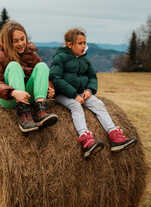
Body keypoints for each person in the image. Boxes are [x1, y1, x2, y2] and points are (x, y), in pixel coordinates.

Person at [49, 28, 137, 157]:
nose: (83, 46)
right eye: (80, 43)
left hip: (81, 92)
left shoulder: (85, 59)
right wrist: (74, 95)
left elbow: (92, 77)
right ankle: (86, 140)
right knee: (76, 106)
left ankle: (114, 136)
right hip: (63, 94)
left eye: (84, 43)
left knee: (98, 104)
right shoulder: (60, 57)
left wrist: (89, 90)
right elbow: (55, 77)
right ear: (69, 45)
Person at [0, 21, 58, 132]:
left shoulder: (32, 55)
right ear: (7, 42)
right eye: (15, 41)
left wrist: (49, 88)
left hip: (28, 96)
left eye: (22, 39)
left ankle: (40, 111)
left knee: (42, 66)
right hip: (8, 98)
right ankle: (24, 115)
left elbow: (42, 77)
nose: (20, 44)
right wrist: (13, 92)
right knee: (14, 66)